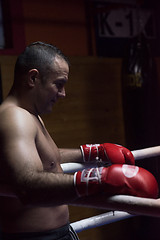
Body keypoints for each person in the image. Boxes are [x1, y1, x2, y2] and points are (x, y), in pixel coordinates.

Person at [0, 41, 158, 240]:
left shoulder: (29, 115)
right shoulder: (14, 118)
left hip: (58, 233)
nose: (63, 94)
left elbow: (50, 158)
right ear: (33, 78)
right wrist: (95, 179)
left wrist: (92, 152)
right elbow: (26, 186)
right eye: (58, 84)